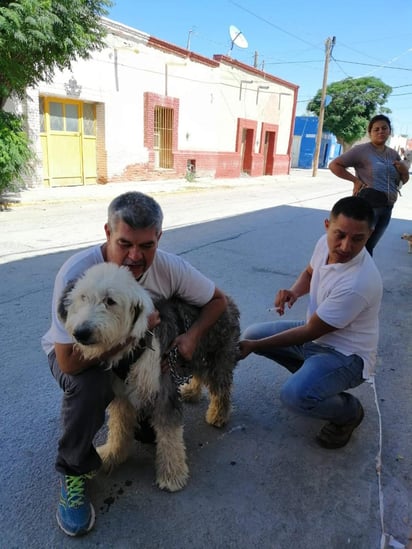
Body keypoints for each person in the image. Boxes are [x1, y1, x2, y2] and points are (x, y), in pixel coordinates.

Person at [41, 191, 228, 537]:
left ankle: (147, 449)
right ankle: (74, 470)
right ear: (107, 233)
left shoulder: (170, 267)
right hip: (80, 353)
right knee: (93, 385)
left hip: (138, 350)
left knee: (157, 402)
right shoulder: (78, 274)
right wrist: (135, 333)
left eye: (146, 246)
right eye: (124, 243)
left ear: (159, 237)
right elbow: (68, 362)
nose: (134, 256)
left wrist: (190, 338)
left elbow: (218, 301)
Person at [239, 196, 383, 449]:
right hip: (316, 336)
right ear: (327, 225)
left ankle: (349, 412)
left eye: (357, 239)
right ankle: (313, 379)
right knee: (254, 333)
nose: (346, 246)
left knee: (293, 395)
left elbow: (308, 332)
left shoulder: (360, 283)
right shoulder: (324, 245)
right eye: (340, 235)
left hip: (345, 355)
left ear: (369, 235)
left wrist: (252, 346)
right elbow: (310, 272)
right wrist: (294, 292)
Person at [329, 114, 409, 255]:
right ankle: (351, 276)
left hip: (387, 208)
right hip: (369, 206)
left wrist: (404, 171)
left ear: (389, 131)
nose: (380, 131)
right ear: (370, 132)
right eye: (376, 129)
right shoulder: (361, 151)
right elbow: (335, 165)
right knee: (360, 248)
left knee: (369, 247)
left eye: (384, 128)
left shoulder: (393, 154)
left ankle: (363, 276)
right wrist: (355, 180)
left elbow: (402, 181)